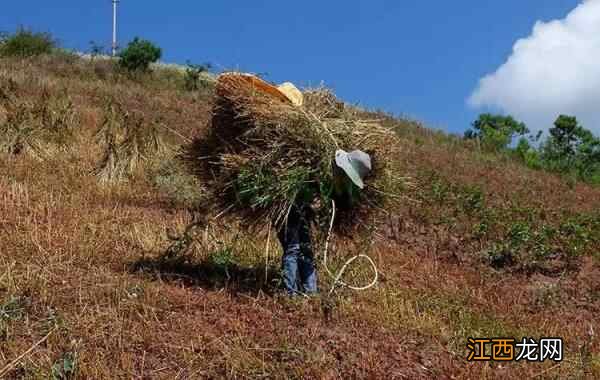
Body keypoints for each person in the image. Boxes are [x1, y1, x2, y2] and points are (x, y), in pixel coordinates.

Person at [277, 149, 372, 296]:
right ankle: (290, 295)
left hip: (303, 213)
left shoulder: (342, 182)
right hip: (288, 207)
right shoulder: (319, 167)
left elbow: (344, 203)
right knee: (293, 248)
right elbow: (298, 189)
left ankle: (311, 293)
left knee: (306, 251)